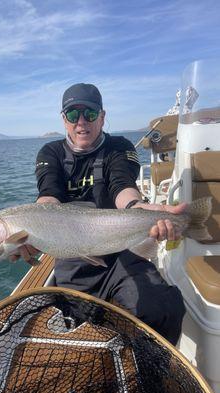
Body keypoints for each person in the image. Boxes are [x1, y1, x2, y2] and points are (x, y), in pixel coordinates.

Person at [11, 83, 186, 345]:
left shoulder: (119, 147)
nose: (81, 122)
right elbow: (49, 194)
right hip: (73, 254)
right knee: (77, 330)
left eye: (90, 114)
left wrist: (135, 209)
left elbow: (122, 186)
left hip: (122, 249)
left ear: (102, 116)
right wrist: (35, 230)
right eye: (73, 115)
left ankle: (155, 372)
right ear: (64, 119)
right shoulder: (51, 153)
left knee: (163, 308)